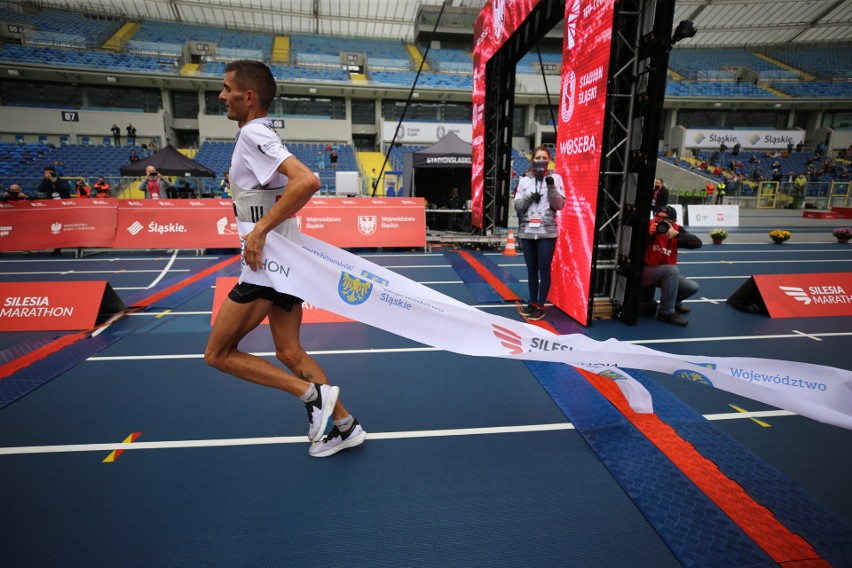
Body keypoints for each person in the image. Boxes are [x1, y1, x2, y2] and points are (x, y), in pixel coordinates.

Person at [204, 60, 365, 458]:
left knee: (218, 354)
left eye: (227, 89)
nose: (222, 96)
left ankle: (309, 395)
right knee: (289, 353)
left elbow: (307, 181)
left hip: (265, 268)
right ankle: (346, 425)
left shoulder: (252, 134)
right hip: (285, 263)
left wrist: (258, 232)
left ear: (249, 96)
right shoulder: (262, 133)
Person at [513, 145, 566, 321]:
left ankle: (541, 306)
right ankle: (533, 302)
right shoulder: (523, 181)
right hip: (527, 231)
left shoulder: (556, 178)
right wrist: (529, 197)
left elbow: (559, 205)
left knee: (544, 269)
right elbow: (518, 208)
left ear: (549, 160)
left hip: (547, 232)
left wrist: (551, 187)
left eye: (544, 158)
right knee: (531, 270)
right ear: (532, 160)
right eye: (538, 158)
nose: (541, 161)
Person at [642, 206, 702, 326]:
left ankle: (673, 302)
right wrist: (648, 234)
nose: (660, 221)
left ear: (673, 222)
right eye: (658, 217)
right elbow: (631, 245)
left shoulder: (676, 229)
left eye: (665, 219)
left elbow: (697, 243)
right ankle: (665, 313)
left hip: (665, 274)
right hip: (645, 271)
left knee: (692, 287)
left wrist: (677, 235)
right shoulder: (648, 225)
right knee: (672, 270)